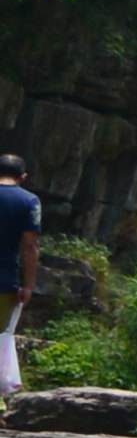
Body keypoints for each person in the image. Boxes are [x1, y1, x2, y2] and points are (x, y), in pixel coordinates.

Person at [0, 149, 37, 398]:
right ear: (23, 177)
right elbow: (30, 246)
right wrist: (29, 285)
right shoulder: (29, 202)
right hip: (4, 283)